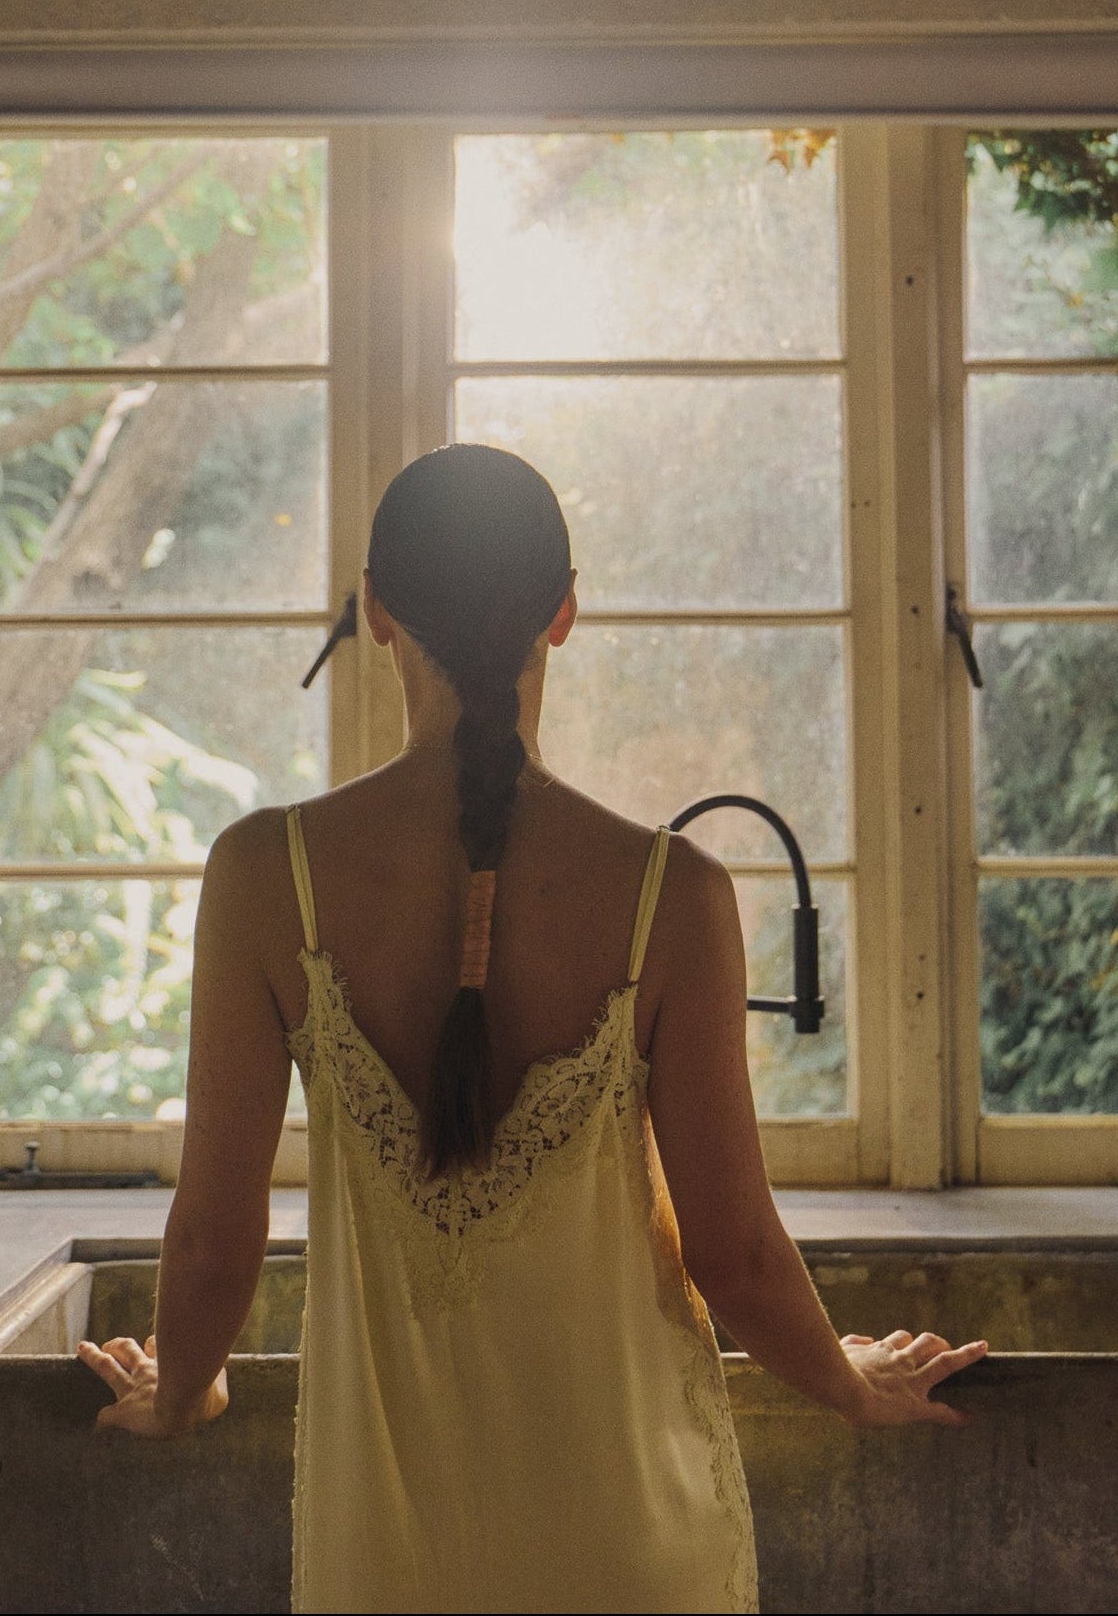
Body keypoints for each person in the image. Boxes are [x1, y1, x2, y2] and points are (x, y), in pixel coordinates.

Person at [78, 444, 988, 1614]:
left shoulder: (265, 873)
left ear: (377, 609)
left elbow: (211, 1240)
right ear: (563, 611)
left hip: (388, 1564)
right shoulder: (676, 893)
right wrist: (851, 1386)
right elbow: (737, 1256)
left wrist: (181, 1392)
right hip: (632, 1548)